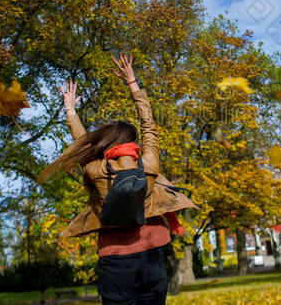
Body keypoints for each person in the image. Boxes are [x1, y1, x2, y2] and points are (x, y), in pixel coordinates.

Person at [42, 53, 197, 305]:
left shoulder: (95, 169)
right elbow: (149, 124)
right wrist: (132, 83)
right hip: (152, 258)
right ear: (131, 144)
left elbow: (81, 143)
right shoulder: (147, 164)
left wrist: (70, 110)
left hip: (114, 263)